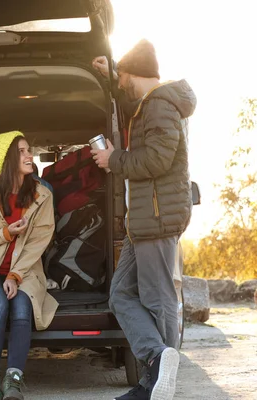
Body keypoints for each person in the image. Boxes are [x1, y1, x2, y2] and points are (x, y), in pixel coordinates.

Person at [90, 39, 197, 400]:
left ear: (136, 75)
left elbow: (155, 160)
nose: (122, 85)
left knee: (157, 299)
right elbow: (129, 100)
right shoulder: (150, 105)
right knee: (120, 294)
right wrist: (111, 71)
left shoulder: (162, 106)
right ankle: (156, 365)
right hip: (143, 222)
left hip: (156, 218)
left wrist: (113, 160)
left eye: (123, 78)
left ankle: (158, 381)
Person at [0, 131, 58, 400]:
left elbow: (39, 243)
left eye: (29, 150)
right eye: (23, 151)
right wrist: (6, 233)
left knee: (21, 307)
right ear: (7, 160)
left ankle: (13, 380)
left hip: (25, 271)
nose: (30, 156)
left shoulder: (41, 196)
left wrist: (15, 275)